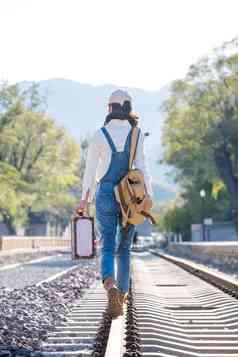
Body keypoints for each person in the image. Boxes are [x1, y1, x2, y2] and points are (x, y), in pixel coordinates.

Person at [76, 90, 153, 318]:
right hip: (129, 197)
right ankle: (122, 296)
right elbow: (143, 167)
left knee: (107, 245)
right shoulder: (137, 134)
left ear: (110, 108)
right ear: (128, 107)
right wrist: (148, 195)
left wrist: (84, 200)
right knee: (124, 249)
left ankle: (111, 287)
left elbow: (89, 172)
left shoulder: (99, 134)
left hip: (105, 194)